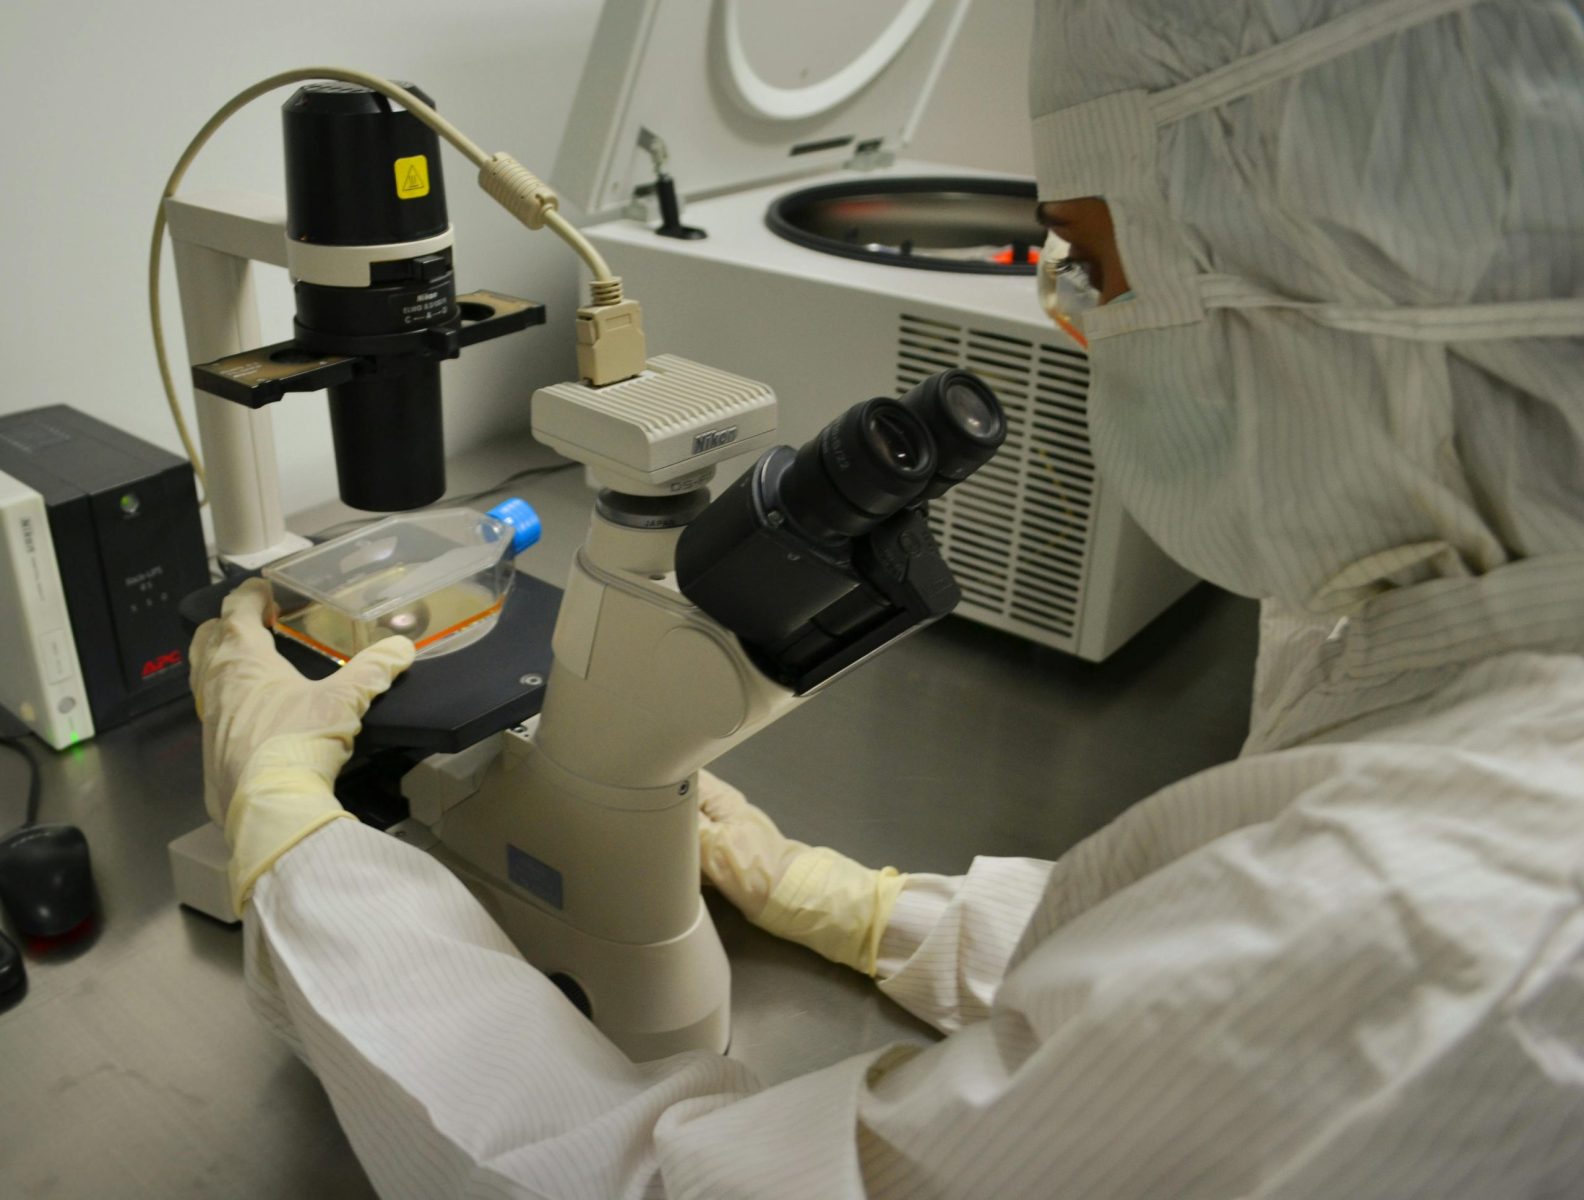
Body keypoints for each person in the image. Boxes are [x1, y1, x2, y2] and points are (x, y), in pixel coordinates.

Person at [189, 1, 1584, 1195]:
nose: (1069, 320)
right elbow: (1205, 988)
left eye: (1094, 263)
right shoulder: (1479, 637)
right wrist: (871, 910)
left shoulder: (1436, 912)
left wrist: (301, 852)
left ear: (1360, 305)